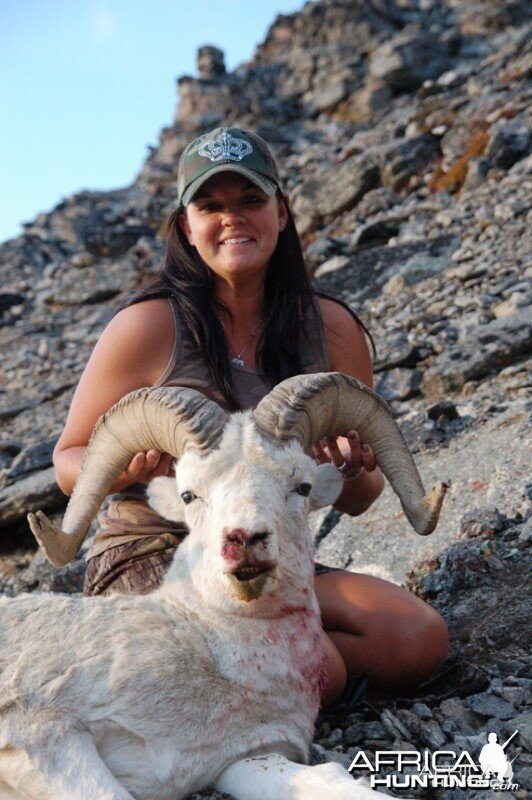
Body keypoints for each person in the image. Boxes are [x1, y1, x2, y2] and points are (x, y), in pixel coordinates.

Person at [53, 126, 448, 707]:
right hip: (158, 553)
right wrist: (118, 471)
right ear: (186, 227)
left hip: (270, 544)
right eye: (210, 205)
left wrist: (351, 464)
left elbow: (359, 495)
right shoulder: (146, 328)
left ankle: (269, 680)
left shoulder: (331, 330)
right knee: (321, 670)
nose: (232, 218)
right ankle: (287, 680)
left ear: (282, 212)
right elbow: (68, 460)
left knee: (417, 639)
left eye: (250, 200)